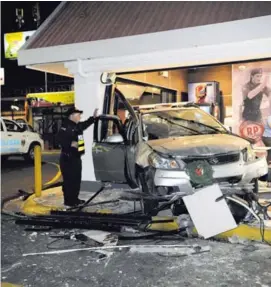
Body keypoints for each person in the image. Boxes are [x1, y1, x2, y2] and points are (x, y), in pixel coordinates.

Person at [57, 107, 99, 207]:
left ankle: (74, 199)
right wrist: (70, 143)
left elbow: (84, 125)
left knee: (76, 180)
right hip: (68, 159)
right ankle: (69, 201)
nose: (80, 116)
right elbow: (58, 139)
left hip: (75, 157)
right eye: (78, 114)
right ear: (72, 116)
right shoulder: (65, 126)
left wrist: (93, 118)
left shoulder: (76, 126)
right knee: (69, 181)